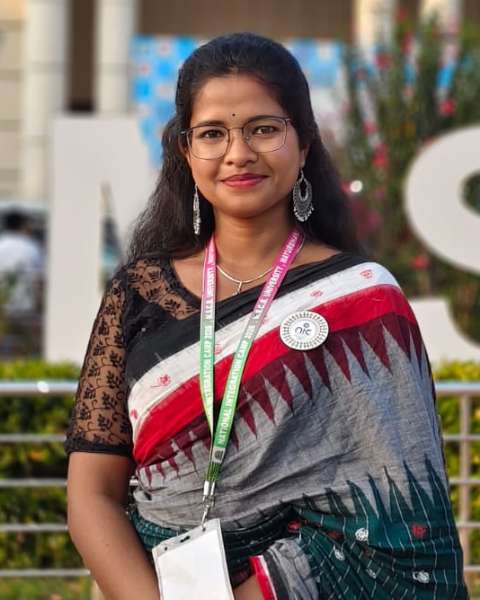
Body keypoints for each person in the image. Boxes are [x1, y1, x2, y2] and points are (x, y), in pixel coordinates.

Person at [65, 33, 467, 599]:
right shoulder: (138, 293)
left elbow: (400, 522)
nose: (238, 152)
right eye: (213, 133)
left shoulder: (362, 298)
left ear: (303, 145)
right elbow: (92, 493)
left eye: (263, 129)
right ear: (186, 151)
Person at [0, 209, 43, 317]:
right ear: (23, 225)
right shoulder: (32, 247)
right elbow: (39, 280)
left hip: (2, 306)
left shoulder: (1, 245)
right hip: (25, 308)